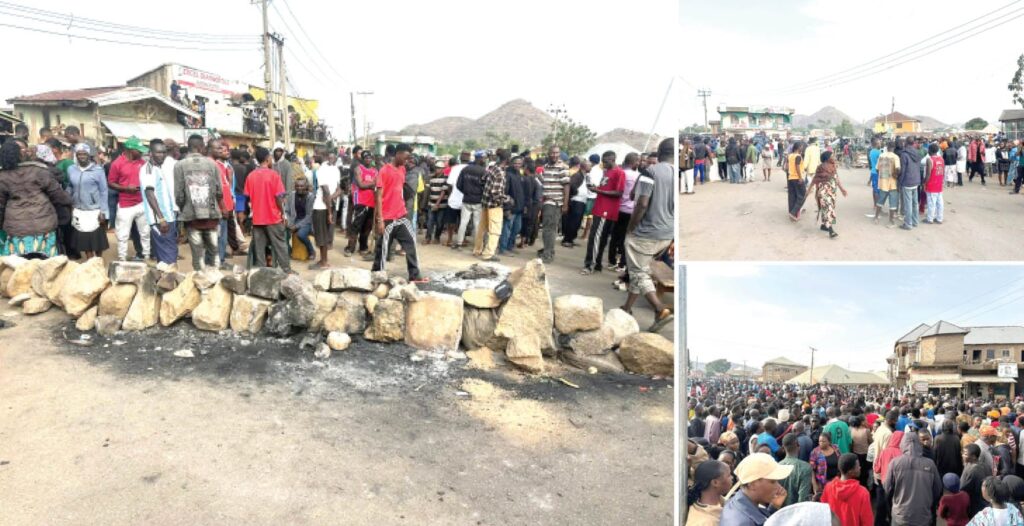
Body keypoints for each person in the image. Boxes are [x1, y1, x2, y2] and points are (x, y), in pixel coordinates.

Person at [621, 138, 674, 333]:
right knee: (640, 269)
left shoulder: (650, 172)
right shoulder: (675, 173)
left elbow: (641, 203)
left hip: (646, 232)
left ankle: (660, 309)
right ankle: (627, 308)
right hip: (666, 233)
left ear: (659, 152)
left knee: (638, 272)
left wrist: (631, 228)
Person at [0, 139, 73, 256]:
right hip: (43, 227)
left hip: (16, 229)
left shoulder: (3, 176)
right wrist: (70, 202)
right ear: (22, 154)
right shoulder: (39, 171)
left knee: (20, 268)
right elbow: (59, 196)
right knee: (45, 267)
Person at [372, 143, 424, 283]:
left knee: (411, 244)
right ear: (398, 154)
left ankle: (414, 275)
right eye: (406, 157)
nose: (407, 160)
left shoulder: (402, 169)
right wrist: (380, 219)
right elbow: (378, 196)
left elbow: (399, 190)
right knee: (382, 250)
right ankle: (377, 276)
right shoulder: (384, 171)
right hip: (387, 218)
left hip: (401, 215)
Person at [174, 134, 225, 271]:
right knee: (214, 251)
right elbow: (219, 191)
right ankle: (215, 281)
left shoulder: (179, 165)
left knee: (198, 255)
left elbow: (178, 194)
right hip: (211, 215)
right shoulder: (212, 164)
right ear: (200, 147)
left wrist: (183, 207)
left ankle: (199, 282)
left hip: (191, 217)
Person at [244, 147, 289, 271]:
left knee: (259, 248)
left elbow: (248, 198)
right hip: (273, 217)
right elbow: (279, 197)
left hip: (257, 218)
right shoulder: (274, 175)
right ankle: (286, 270)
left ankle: (261, 272)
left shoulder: (251, 176)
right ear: (268, 159)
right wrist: (283, 214)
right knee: (280, 245)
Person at [884, 431, 942, 526]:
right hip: (923, 515)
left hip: (900, 515)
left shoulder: (894, 463)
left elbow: (887, 489)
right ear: (919, 445)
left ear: (902, 444)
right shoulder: (930, 464)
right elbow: (937, 489)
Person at [107, 136, 150, 261]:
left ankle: (146, 256)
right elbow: (111, 182)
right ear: (130, 150)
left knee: (145, 232)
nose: (141, 152)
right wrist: (126, 189)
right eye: (139, 150)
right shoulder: (117, 164)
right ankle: (122, 258)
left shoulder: (142, 163)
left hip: (142, 203)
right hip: (125, 204)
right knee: (123, 234)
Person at [582, 151, 624, 274]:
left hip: (606, 211)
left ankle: (590, 265)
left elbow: (619, 193)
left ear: (613, 160)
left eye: (605, 161)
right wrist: (596, 189)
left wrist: (599, 191)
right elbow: (606, 188)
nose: (603, 164)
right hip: (600, 208)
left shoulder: (619, 173)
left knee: (595, 238)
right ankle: (597, 264)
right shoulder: (607, 172)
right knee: (600, 238)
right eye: (602, 161)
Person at [720, 453, 791, 526]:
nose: (778, 487)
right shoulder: (745, 522)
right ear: (752, 484)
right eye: (773, 481)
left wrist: (774, 507)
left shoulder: (737, 503)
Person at [66, 143, 109, 259]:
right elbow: (70, 185)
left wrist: (103, 211)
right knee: (84, 239)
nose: (81, 156)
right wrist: (68, 196)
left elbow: (104, 191)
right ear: (76, 155)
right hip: (78, 209)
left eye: (84, 154)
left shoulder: (98, 170)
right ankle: (90, 262)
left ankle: (98, 260)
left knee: (97, 239)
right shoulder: (71, 169)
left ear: (89, 155)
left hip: (94, 209)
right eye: (79, 154)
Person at [140, 139, 178, 265]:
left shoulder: (158, 168)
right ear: (150, 153)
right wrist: (161, 219)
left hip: (168, 217)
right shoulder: (148, 170)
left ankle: (165, 280)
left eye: (163, 152)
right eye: (158, 153)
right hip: (160, 220)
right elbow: (149, 194)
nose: (161, 155)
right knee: (168, 254)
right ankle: (167, 281)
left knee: (168, 252)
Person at [820, 453, 873, 526]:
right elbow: (867, 521)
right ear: (850, 471)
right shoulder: (862, 493)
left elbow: (823, 513)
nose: (860, 467)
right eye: (857, 466)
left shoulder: (828, 487)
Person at [538, 147, 570, 264]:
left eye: (556, 153)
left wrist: (565, 204)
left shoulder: (563, 167)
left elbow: (566, 186)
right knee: (548, 228)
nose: (554, 155)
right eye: (552, 152)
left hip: (554, 202)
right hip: (547, 201)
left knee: (549, 229)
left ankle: (548, 254)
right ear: (548, 153)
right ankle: (548, 250)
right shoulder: (546, 167)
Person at [609, 153, 640, 273]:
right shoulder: (637, 176)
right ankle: (621, 264)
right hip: (630, 210)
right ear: (634, 162)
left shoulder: (619, 173)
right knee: (625, 237)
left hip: (616, 208)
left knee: (614, 235)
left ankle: (611, 261)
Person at [309, 151, 341, 269]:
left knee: (321, 235)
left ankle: (323, 262)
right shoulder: (336, 169)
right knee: (326, 235)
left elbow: (326, 192)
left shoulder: (321, 170)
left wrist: (329, 212)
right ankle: (324, 260)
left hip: (322, 207)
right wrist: (331, 201)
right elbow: (338, 190)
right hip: (331, 205)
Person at [808, 151, 847, 238]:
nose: (833, 157)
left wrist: (842, 189)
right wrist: (808, 190)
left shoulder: (833, 166)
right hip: (823, 191)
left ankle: (824, 225)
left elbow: (836, 179)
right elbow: (815, 178)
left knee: (828, 208)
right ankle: (831, 230)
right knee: (828, 209)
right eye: (831, 155)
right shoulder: (820, 167)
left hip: (832, 192)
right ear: (827, 158)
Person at [479, 149, 509, 262]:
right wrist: (507, 199)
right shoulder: (500, 173)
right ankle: (488, 254)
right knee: (495, 231)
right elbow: (495, 193)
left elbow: (482, 180)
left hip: (485, 203)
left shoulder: (492, 168)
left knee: (482, 228)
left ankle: (478, 250)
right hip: (494, 205)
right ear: (507, 160)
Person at [453, 152, 485, 253]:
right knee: (477, 224)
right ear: (480, 159)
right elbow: (485, 187)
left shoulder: (465, 169)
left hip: (466, 199)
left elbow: (458, 185)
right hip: (478, 201)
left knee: (463, 222)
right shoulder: (483, 171)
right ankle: (476, 245)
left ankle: (459, 243)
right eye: (483, 158)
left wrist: (466, 192)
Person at [687, 460, 731, 526]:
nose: (732, 478)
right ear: (715, 483)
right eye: (729, 475)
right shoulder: (706, 522)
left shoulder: (718, 503)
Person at [872, 141, 902, 227]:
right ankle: (891, 220)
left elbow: (877, 169)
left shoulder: (881, 156)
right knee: (892, 202)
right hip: (892, 183)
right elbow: (898, 169)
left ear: (887, 147)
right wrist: (895, 174)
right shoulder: (895, 157)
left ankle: (876, 217)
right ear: (894, 147)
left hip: (883, 182)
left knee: (880, 201)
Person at [779, 433, 813, 507]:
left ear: (783, 447)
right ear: (798, 445)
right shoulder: (805, 467)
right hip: (796, 513)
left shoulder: (777, 466)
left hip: (779, 512)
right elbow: (803, 499)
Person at [897, 138, 923, 231]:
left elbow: (903, 170)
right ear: (913, 143)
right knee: (915, 203)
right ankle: (915, 221)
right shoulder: (917, 152)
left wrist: (900, 182)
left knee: (908, 203)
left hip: (907, 181)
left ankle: (908, 224)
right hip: (916, 180)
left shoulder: (904, 154)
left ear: (906, 143)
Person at [288, 177, 315, 261]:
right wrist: (288, 222)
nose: (299, 188)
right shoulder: (292, 195)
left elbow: (309, 216)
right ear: (295, 186)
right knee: (283, 233)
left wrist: (296, 226)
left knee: (301, 234)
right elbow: (287, 210)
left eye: (301, 186)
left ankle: (311, 251)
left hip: (306, 221)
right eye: (297, 186)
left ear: (306, 186)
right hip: (294, 219)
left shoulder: (310, 197)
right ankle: (289, 251)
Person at [809, 431, 841, 498]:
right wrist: (815, 485)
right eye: (819, 441)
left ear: (829, 442)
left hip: (836, 482)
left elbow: (840, 462)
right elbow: (811, 470)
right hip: (822, 484)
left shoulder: (835, 448)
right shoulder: (815, 452)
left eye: (823, 441)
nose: (821, 443)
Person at [424, 159, 448, 245]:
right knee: (430, 221)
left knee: (439, 222)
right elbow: (429, 190)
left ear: (442, 169)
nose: (437, 169)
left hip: (441, 204)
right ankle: (428, 238)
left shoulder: (445, 178)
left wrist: (437, 204)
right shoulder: (432, 178)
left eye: (439, 168)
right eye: (436, 168)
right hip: (432, 203)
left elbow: (443, 192)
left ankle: (437, 237)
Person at [963, 443, 990, 516]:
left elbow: (963, 487)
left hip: (976, 503)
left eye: (965, 454)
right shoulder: (984, 465)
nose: (963, 455)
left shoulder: (973, 470)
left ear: (974, 457)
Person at [923, 143, 946, 224]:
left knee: (931, 203)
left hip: (932, 184)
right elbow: (943, 171)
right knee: (940, 202)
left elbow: (928, 174)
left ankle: (930, 219)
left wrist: (924, 182)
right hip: (939, 183)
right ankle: (939, 218)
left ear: (930, 150)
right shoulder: (941, 159)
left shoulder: (930, 160)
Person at [786, 142, 807, 220]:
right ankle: (793, 212)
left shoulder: (790, 155)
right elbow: (797, 167)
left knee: (792, 196)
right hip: (797, 178)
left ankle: (792, 213)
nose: (802, 147)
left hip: (790, 177)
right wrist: (800, 177)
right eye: (801, 146)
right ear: (798, 147)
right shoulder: (798, 156)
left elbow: (787, 167)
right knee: (803, 195)